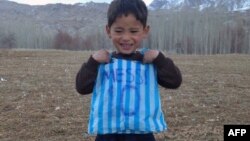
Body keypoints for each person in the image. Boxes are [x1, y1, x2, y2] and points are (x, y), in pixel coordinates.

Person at [75, 0, 182, 140]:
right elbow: (82, 87)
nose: (126, 37)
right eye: (119, 31)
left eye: (134, 31)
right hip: (107, 134)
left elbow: (175, 82)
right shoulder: (102, 62)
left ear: (145, 31)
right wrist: (92, 63)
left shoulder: (149, 62)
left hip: (142, 135)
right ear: (108, 31)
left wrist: (160, 59)